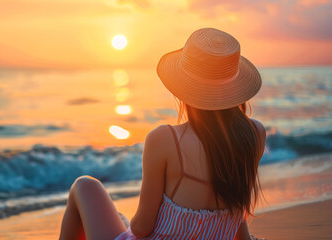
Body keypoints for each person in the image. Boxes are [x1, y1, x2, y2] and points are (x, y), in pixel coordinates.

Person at [58, 28, 266, 240]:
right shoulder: (254, 134)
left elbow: (141, 228)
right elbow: (236, 209)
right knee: (117, 217)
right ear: (234, 87)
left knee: (85, 186)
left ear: (184, 87)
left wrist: (128, 224)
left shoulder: (164, 139)